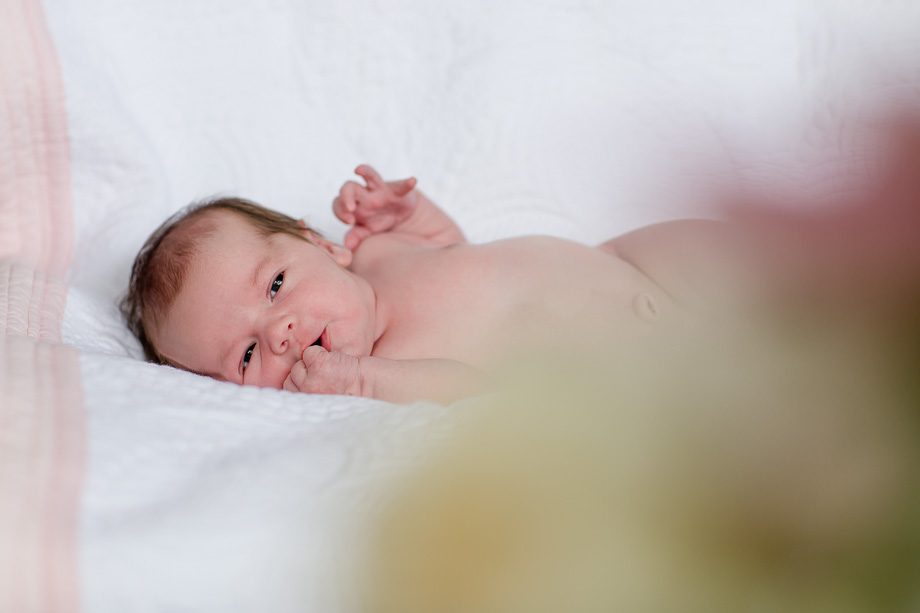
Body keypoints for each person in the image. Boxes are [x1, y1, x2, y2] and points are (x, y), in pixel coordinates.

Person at [122, 165, 731, 403]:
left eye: (276, 285)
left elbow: (452, 248)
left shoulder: (383, 253)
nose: (279, 332)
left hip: (629, 262)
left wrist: (408, 215)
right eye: (249, 354)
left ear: (321, 244)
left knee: (727, 247)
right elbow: (468, 392)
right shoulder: (382, 375)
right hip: (639, 379)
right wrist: (360, 378)